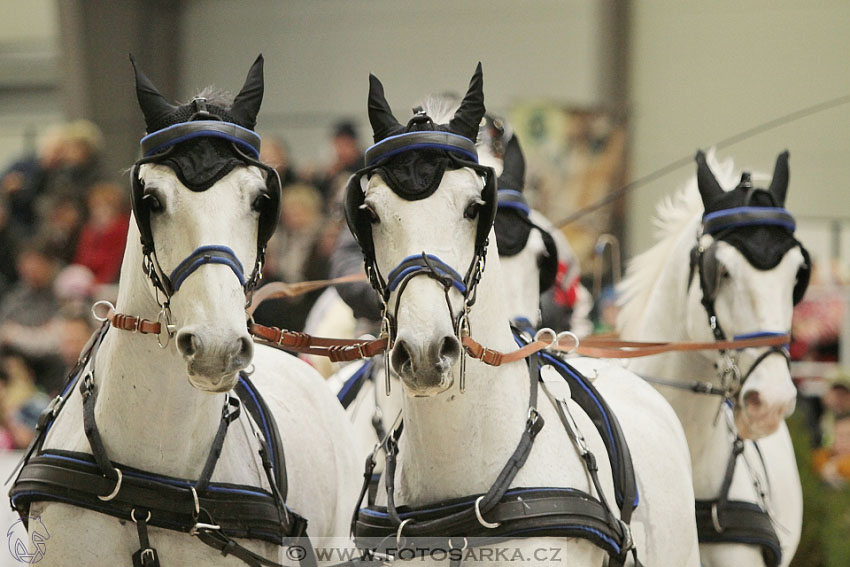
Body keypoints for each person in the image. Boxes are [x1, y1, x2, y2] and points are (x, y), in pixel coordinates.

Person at [71, 181, 129, 284]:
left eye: (104, 206)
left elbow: (114, 261)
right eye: (95, 206)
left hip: (111, 281)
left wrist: (97, 282)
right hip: (86, 278)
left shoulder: (122, 228)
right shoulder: (89, 229)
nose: (98, 211)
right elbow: (81, 259)